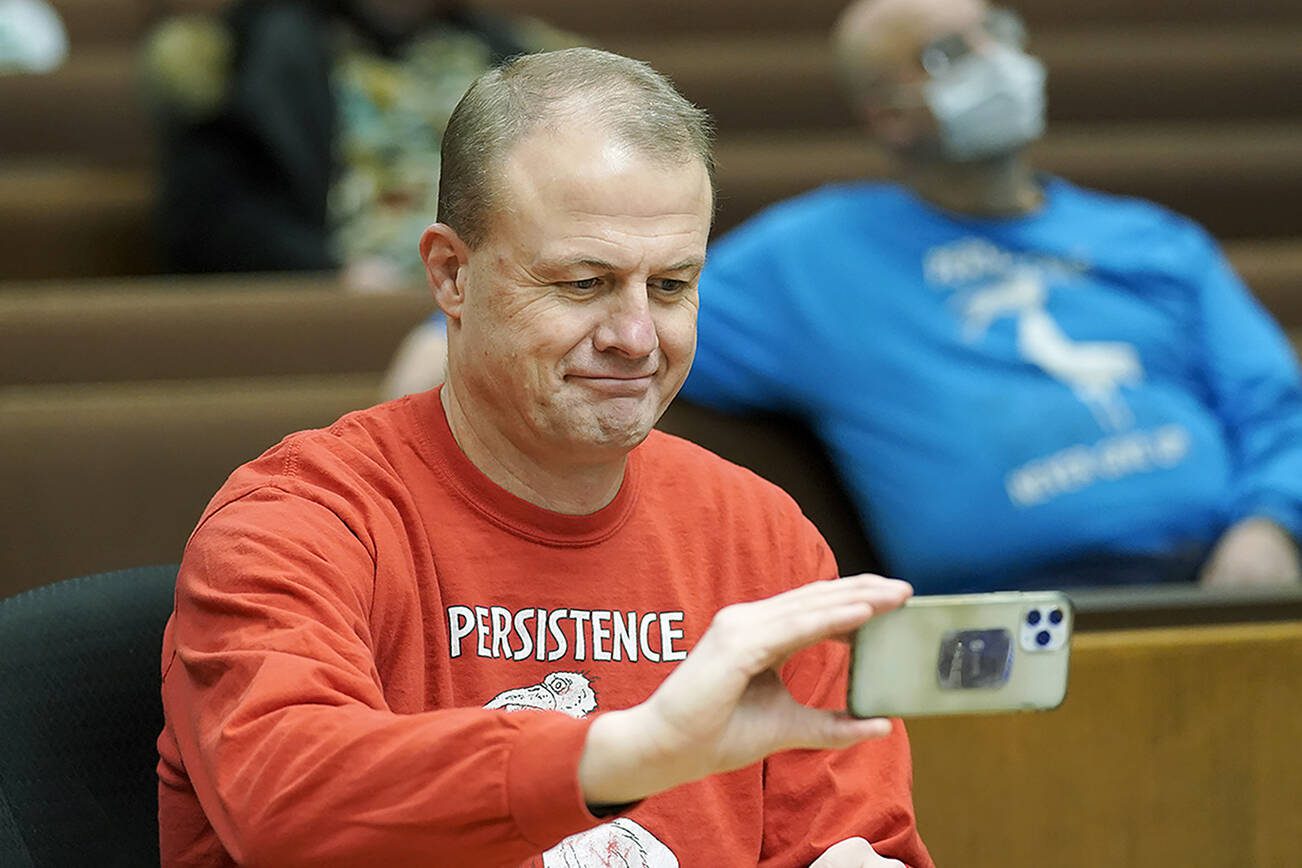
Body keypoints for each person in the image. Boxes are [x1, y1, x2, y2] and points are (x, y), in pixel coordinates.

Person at [158, 48, 932, 867]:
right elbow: (290, 802)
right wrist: (632, 754)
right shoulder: (299, 522)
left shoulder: (760, 533)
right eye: (584, 284)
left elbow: (852, 837)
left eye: (670, 286)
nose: (636, 338)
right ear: (452, 275)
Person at [680, 0, 1302, 595]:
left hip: (1216, 584)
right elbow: (647, 314)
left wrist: (1271, 525)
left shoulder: (1151, 239)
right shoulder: (808, 261)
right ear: (887, 115)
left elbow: (1275, 406)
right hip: (1007, 620)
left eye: (997, 32)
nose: (995, 60)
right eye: (948, 53)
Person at [145, 0, 576, 290]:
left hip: (502, 284)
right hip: (348, 294)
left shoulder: (508, 50)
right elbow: (208, 217)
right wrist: (330, 269)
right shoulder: (249, 53)